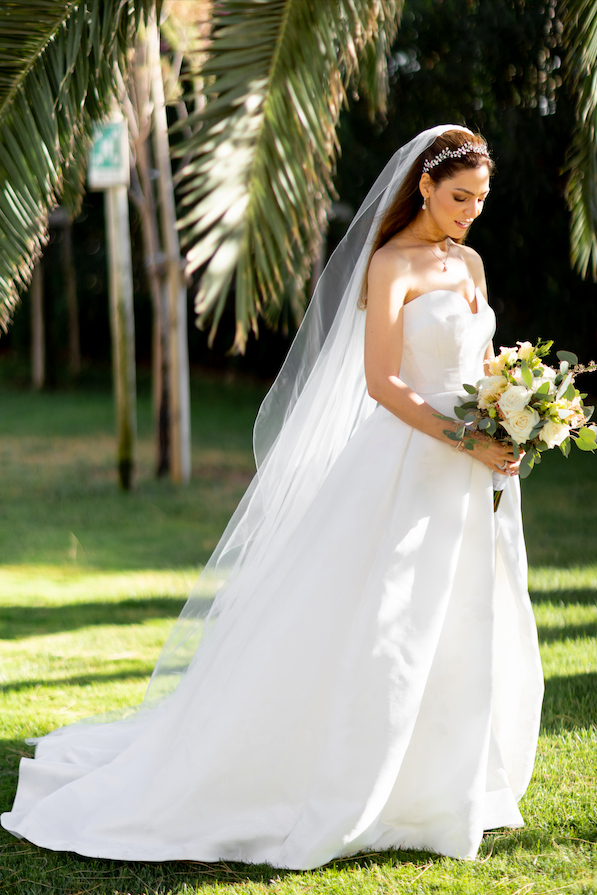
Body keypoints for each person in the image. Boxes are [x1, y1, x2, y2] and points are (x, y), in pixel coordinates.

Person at [1, 125, 543, 868]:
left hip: (474, 472)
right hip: (407, 464)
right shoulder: (389, 264)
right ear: (422, 184)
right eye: (458, 197)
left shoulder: (471, 260)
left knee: (458, 620)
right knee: (385, 624)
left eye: (480, 199)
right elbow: (383, 381)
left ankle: (437, 787)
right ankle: (344, 779)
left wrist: (515, 411)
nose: (469, 212)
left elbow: (478, 366)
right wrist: (465, 437)